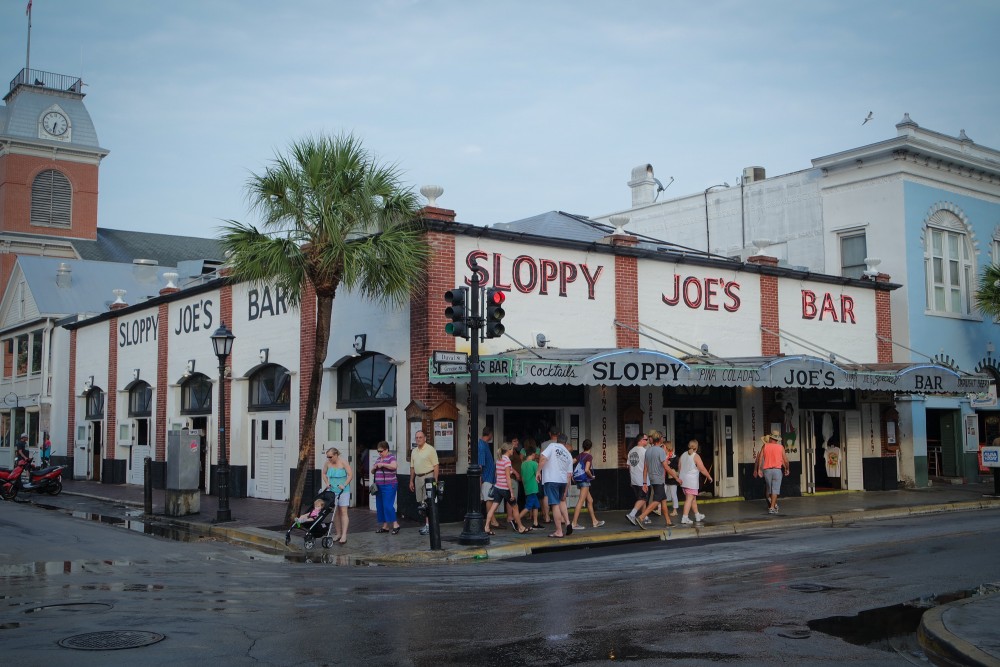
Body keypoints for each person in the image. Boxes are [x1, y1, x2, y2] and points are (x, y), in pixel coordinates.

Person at [635, 433, 680, 529]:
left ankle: (668, 521)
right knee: (657, 500)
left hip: (652, 479)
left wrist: (644, 482)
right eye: (662, 437)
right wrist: (676, 478)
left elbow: (645, 468)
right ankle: (641, 517)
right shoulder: (661, 451)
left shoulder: (648, 451)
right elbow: (666, 467)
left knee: (663, 500)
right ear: (660, 439)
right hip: (659, 479)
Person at [485, 442, 529, 534]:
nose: (513, 451)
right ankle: (520, 527)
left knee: (493, 508)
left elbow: (497, 474)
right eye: (512, 449)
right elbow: (508, 477)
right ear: (508, 450)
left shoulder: (499, 460)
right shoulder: (507, 461)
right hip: (505, 488)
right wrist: (511, 492)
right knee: (515, 507)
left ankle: (487, 527)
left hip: (497, 487)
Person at [537, 432, 573, 538]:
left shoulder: (552, 446)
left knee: (554, 505)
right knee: (562, 501)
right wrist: (566, 490)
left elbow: (543, 458)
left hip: (552, 479)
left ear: (557, 439)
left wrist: (538, 471)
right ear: (565, 443)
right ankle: (567, 522)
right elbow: (569, 475)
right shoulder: (568, 454)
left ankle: (559, 531)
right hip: (563, 481)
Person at [409, 430, 439, 536]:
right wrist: (411, 481)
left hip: (428, 476)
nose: (418, 439)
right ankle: (427, 524)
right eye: (416, 437)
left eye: (420, 437)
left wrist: (435, 481)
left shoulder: (430, 450)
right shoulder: (414, 451)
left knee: (428, 502)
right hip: (418, 477)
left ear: (425, 438)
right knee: (421, 503)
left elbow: (436, 466)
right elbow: (412, 467)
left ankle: (429, 525)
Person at [570, 439, 605, 530]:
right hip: (585, 481)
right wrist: (592, 476)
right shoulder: (589, 456)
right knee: (581, 501)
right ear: (590, 447)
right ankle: (574, 523)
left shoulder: (580, 455)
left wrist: (571, 474)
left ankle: (595, 521)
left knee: (590, 500)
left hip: (579, 480)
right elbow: (586, 469)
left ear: (583, 446)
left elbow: (570, 462)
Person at [322, 448, 353, 544]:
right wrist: (327, 483)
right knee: (335, 512)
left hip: (343, 491)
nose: (329, 458)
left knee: (343, 511)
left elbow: (350, 475)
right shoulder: (327, 463)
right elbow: (323, 473)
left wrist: (344, 484)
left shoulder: (343, 462)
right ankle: (338, 533)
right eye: (327, 457)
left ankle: (344, 535)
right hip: (332, 491)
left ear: (336, 455)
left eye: (330, 457)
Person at [755, 429, 790, 514]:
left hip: (767, 471)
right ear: (777, 439)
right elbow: (785, 460)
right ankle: (771, 507)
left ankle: (773, 505)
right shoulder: (780, 447)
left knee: (770, 489)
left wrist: (759, 469)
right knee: (775, 489)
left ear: (771, 438)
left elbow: (760, 458)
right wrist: (787, 469)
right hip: (777, 470)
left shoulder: (765, 446)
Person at [679, 439, 713, 525]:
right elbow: (702, 469)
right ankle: (685, 518)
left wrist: (682, 475)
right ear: (697, 447)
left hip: (683, 481)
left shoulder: (683, 454)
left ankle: (697, 515)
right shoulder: (696, 456)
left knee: (693, 499)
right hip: (691, 482)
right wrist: (708, 476)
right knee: (689, 499)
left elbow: (679, 466)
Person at [372, 440, 400, 534]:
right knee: (380, 506)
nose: (380, 453)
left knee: (388, 506)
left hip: (389, 485)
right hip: (379, 486)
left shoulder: (391, 457)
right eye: (378, 451)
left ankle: (395, 524)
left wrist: (383, 464)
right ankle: (385, 526)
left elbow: (394, 466)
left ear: (386, 449)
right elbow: (372, 471)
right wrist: (375, 467)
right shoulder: (378, 459)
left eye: (381, 451)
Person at [625, 432, 650, 526]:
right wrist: (644, 482)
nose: (647, 441)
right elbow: (646, 468)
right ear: (640, 440)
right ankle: (632, 514)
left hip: (634, 478)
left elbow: (629, 467)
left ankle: (644, 517)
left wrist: (631, 479)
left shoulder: (631, 451)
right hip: (642, 479)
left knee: (641, 498)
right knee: (643, 498)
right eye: (646, 439)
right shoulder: (644, 452)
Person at [478, 426, 499, 528]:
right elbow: (480, 464)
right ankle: (492, 521)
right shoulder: (482, 446)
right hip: (486, 477)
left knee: (488, 499)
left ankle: (492, 520)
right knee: (489, 499)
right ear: (490, 434)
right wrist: (480, 479)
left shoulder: (484, 444)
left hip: (489, 477)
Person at [538, 426, 559, 523]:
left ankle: (547, 517)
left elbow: (541, 458)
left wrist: (538, 471)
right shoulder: (562, 444)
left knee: (546, 495)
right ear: (558, 434)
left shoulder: (544, 444)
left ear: (550, 434)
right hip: (559, 474)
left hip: (547, 473)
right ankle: (561, 518)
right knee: (560, 496)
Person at [518, 444, 542, 529]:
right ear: (532, 454)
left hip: (527, 487)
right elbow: (538, 475)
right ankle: (515, 520)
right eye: (535, 455)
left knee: (536, 505)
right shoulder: (534, 463)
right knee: (528, 506)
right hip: (533, 487)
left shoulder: (523, 464)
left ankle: (535, 523)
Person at [664, 440, 680, 516]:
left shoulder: (675, 457)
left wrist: (670, 465)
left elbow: (677, 467)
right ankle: (660, 509)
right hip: (664, 478)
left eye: (663, 446)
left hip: (672, 478)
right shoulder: (663, 456)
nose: (662, 448)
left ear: (667, 447)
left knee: (673, 494)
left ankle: (675, 510)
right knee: (663, 494)